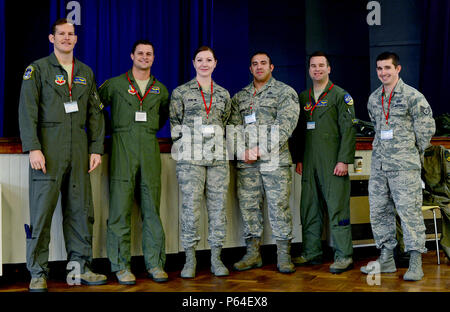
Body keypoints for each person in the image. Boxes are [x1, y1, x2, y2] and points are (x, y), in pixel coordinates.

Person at [18, 18, 106, 292]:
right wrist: (33, 147)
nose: (67, 38)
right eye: (62, 34)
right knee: (42, 213)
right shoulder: (38, 70)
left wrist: (95, 148)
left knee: (80, 212)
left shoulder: (85, 72)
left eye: (71, 34)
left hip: (79, 149)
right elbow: (27, 110)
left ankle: (79, 270)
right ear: (51, 38)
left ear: (76, 39)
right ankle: (38, 272)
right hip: (48, 149)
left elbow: (95, 113)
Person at [98, 40, 169, 284]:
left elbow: (162, 119)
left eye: (149, 53)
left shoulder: (161, 89)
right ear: (132, 56)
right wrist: (109, 132)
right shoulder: (115, 85)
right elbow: (94, 109)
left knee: (152, 210)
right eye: (140, 53)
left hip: (149, 150)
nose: (144, 57)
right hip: (122, 150)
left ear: (154, 57)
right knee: (120, 210)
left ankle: (155, 264)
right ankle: (120, 265)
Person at [360, 52, 435, 281]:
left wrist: (412, 153)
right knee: (379, 212)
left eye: (387, 68)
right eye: (379, 68)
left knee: (409, 212)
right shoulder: (374, 98)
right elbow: (376, 124)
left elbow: (426, 130)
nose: (383, 72)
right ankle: (386, 259)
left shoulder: (413, 96)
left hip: (404, 167)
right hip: (380, 166)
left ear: (398, 69)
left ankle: (415, 261)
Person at [229, 52, 300, 274]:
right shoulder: (240, 97)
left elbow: (286, 124)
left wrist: (261, 149)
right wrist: (242, 151)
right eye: (254, 64)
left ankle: (283, 254)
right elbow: (232, 127)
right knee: (249, 207)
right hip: (247, 163)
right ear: (250, 69)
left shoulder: (285, 93)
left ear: (272, 66)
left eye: (263, 63)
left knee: (279, 207)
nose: (259, 67)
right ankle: (253, 254)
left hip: (274, 162)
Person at [290, 51, 356, 274]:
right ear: (309, 70)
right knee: (309, 208)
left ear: (329, 69)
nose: (317, 69)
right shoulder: (303, 98)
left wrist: (344, 160)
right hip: (309, 162)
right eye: (313, 66)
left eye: (321, 65)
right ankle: (312, 252)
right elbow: (298, 132)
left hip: (333, 163)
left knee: (337, 208)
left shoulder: (340, 96)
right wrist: (298, 159)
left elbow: (348, 130)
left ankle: (343, 255)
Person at [170, 46, 231, 278]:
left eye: (208, 60)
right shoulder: (181, 92)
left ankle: (216, 258)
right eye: (200, 60)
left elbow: (225, 121)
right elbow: (175, 123)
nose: (204, 64)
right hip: (190, 161)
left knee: (217, 210)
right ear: (193, 63)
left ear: (215, 63)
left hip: (217, 160)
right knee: (190, 209)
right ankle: (190, 260)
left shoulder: (224, 94)